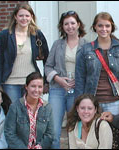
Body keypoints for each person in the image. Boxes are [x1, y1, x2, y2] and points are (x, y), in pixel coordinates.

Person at [45, 10, 87, 148]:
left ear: (78, 24)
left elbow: (90, 70)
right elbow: (48, 67)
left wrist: (79, 81)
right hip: (57, 90)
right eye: (66, 24)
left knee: (75, 130)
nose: (70, 26)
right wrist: (57, 79)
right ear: (62, 27)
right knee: (53, 131)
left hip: (76, 91)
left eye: (73, 23)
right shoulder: (57, 44)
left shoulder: (86, 45)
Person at [75, 12, 119, 116]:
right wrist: (79, 104)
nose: (103, 29)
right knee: (93, 132)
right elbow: (80, 79)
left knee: (113, 132)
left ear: (112, 27)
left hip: (115, 102)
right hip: (92, 102)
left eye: (107, 26)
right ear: (95, 27)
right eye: (100, 25)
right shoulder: (85, 50)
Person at [0, 3, 49, 103]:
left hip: (31, 82)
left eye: (27, 16)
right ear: (15, 17)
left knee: (30, 114)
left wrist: (45, 82)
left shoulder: (37, 34)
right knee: (13, 113)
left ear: (31, 17)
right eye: (21, 15)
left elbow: (47, 60)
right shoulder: (5, 35)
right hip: (10, 82)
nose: (24, 18)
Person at [4, 72, 54, 149]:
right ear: (26, 87)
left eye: (40, 87)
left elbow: (50, 134)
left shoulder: (47, 107)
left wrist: (40, 147)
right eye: (33, 86)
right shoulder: (15, 107)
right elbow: (9, 133)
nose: (36, 90)